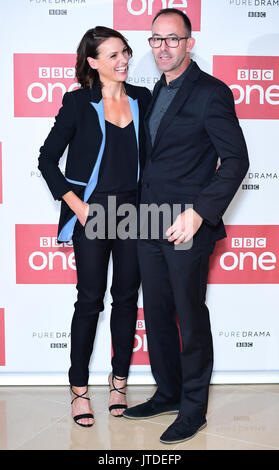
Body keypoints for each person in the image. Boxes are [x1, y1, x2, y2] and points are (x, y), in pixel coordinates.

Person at [123, 8, 249, 444]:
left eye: (172, 39)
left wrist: (199, 212)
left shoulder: (211, 93)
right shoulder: (153, 92)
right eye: (156, 39)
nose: (163, 47)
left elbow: (236, 161)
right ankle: (169, 392)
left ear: (189, 42)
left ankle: (193, 409)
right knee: (157, 315)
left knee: (190, 317)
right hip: (147, 224)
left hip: (186, 226)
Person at [38, 26, 151, 427]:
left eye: (125, 52)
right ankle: (79, 389)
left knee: (125, 300)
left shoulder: (143, 98)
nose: (123, 60)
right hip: (93, 213)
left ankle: (119, 382)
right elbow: (47, 160)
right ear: (93, 62)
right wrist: (76, 206)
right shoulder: (76, 103)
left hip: (136, 214)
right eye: (112, 55)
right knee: (89, 301)